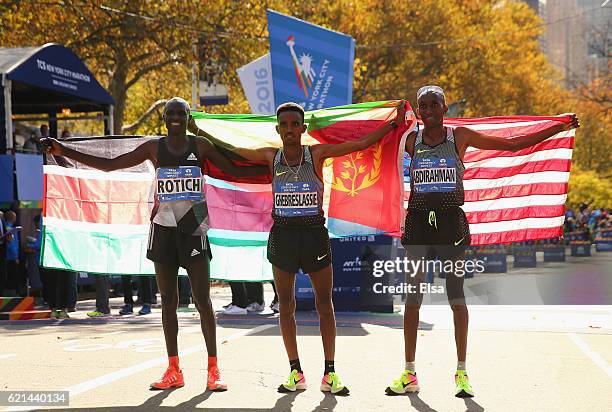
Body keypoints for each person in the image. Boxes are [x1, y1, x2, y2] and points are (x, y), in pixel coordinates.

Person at [42, 97, 266, 392]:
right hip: (163, 229)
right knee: (168, 302)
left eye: (180, 113)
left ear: (188, 117)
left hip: (193, 227)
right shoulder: (153, 147)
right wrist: (64, 149)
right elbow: (111, 165)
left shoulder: (200, 146)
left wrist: (276, 165)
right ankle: (174, 369)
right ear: (163, 118)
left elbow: (235, 169)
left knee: (203, 301)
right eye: (170, 113)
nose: (175, 117)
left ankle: (213, 369)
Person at [190, 101, 407, 395]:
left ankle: (330, 373)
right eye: (285, 125)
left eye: (295, 125)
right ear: (277, 129)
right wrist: (198, 130)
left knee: (324, 305)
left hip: (314, 234)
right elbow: (230, 150)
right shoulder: (271, 156)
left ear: (303, 128)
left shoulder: (316, 154)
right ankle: (296, 372)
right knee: (286, 306)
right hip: (284, 235)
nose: (290, 129)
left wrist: (393, 125)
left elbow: (361, 143)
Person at [385, 85, 579, 398]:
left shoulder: (459, 137)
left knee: (456, 297)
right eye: (424, 107)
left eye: (435, 105)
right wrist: (395, 118)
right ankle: (409, 372)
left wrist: (558, 126)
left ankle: (462, 372)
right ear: (418, 112)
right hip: (419, 223)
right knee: (413, 298)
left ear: (445, 108)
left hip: (451, 224)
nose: (430, 111)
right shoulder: (410, 141)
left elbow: (513, 145)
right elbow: (376, 143)